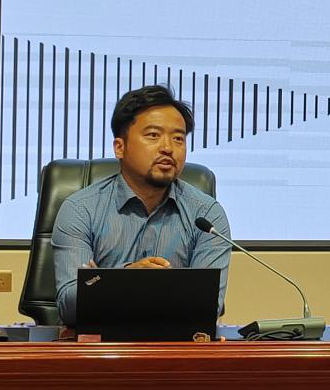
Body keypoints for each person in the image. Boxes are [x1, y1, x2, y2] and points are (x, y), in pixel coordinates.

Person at [52, 84, 230, 326]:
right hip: (100, 345)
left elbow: (206, 307)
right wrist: (129, 278)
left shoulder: (206, 216)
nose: (168, 148)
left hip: (176, 346)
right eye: (153, 135)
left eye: (178, 138)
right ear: (120, 147)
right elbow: (70, 306)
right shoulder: (81, 210)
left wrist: (103, 282)